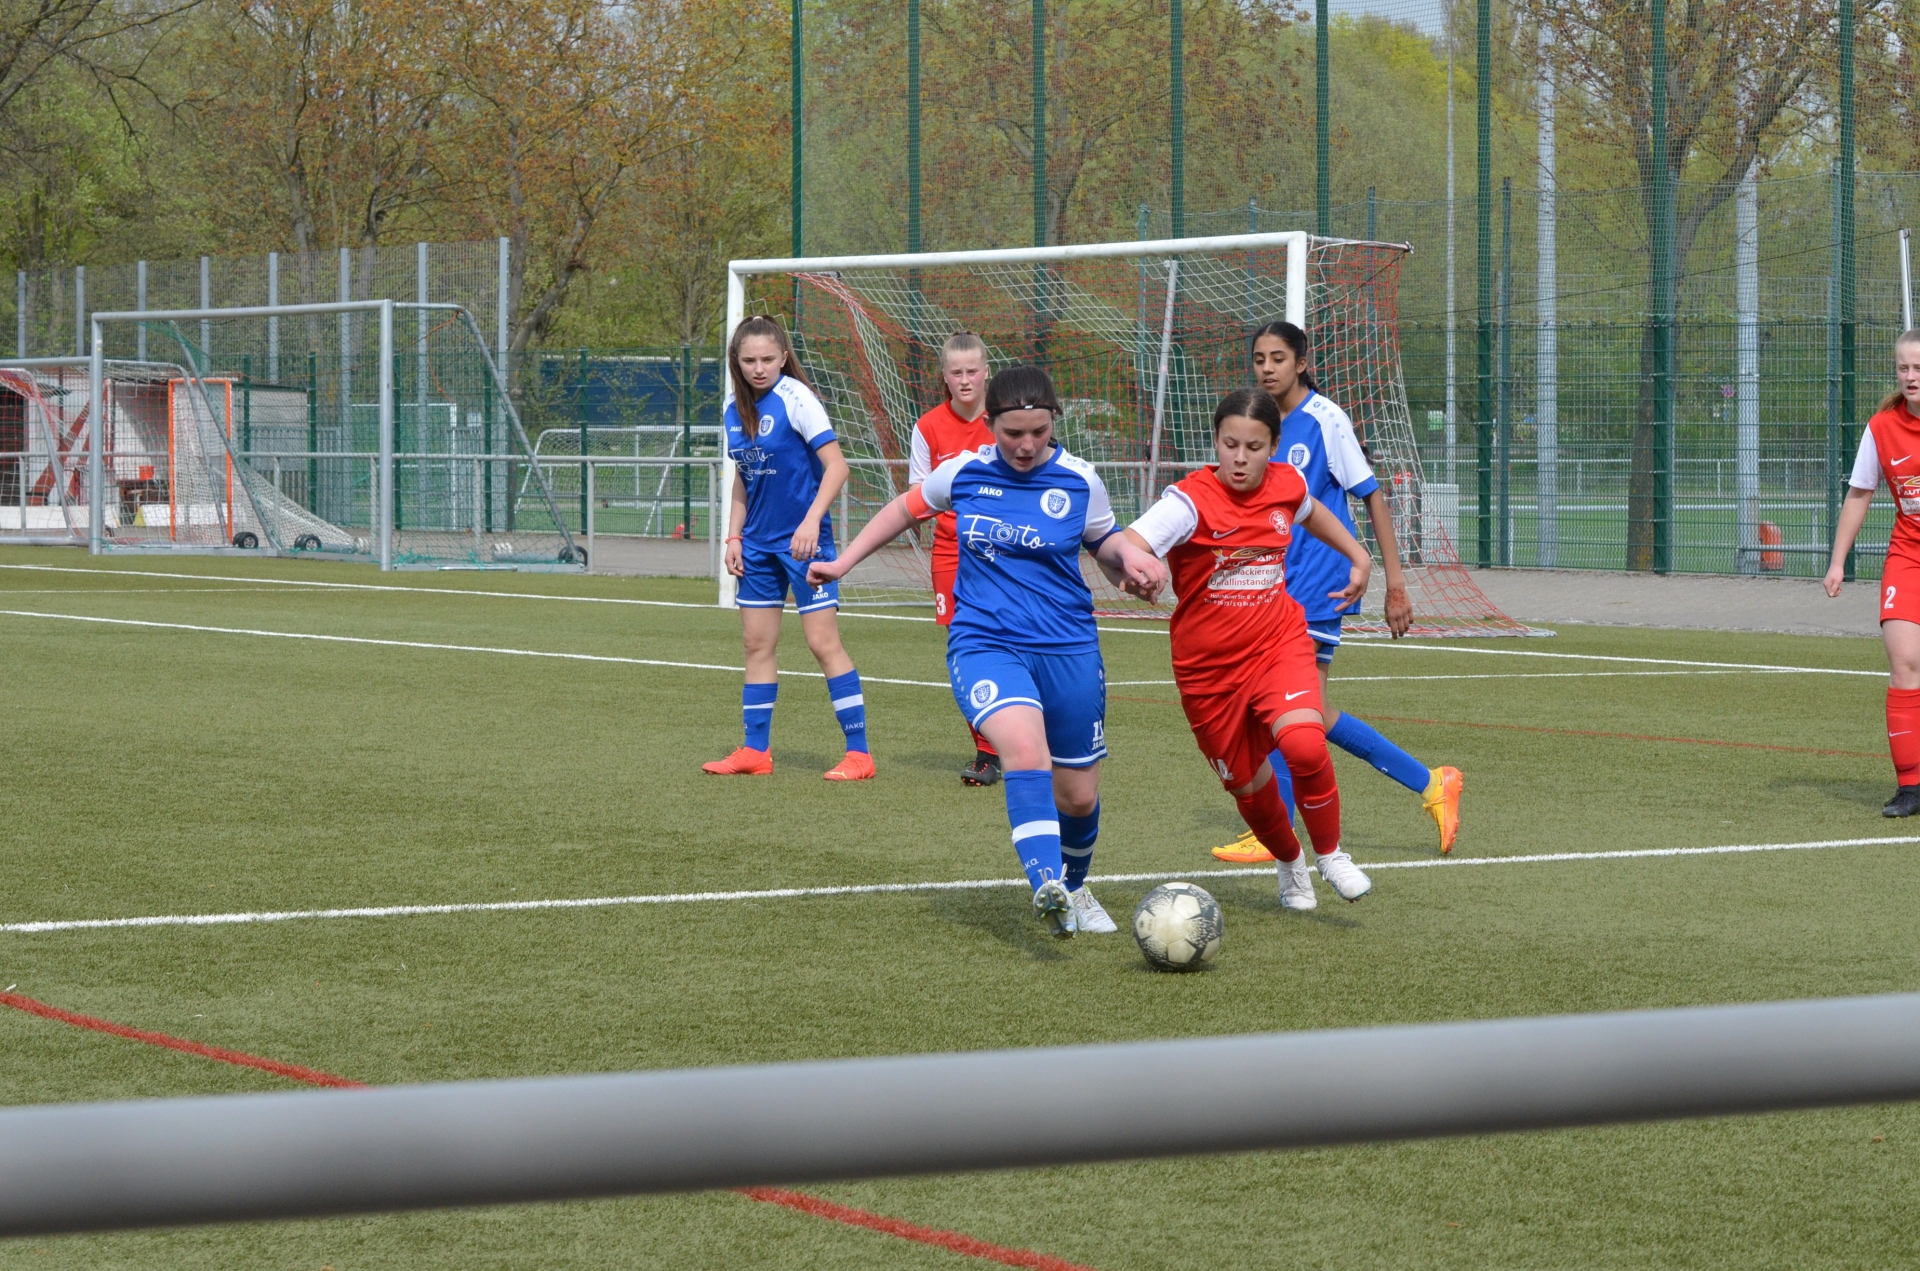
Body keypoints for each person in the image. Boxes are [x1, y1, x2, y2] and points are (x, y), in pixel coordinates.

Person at [811, 365, 1152, 937]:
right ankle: (1047, 884)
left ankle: (1074, 885)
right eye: (1013, 432)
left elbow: (1104, 542)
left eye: (1039, 432)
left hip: (1068, 647)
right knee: (1024, 749)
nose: (1026, 445)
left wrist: (1132, 563)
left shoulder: (1079, 479)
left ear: (1053, 423)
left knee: (1077, 796)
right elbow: (904, 509)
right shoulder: (964, 472)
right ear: (990, 423)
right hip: (985, 642)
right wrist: (843, 562)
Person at [1212, 320, 1464, 860]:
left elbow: (1371, 495)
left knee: (1284, 708)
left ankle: (1274, 829)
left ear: (1301, 363)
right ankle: (1431, 783)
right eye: (1259, 359)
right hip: (1275, 587)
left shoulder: (1326, 419)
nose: (1267, 368)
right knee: (1312, 714)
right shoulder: (1260, 424)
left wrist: (1395, 584)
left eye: (1278, 358)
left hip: (1319, 586)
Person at [1116, 387, 1375, 909]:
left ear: (1273, 446)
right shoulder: (1187, 502)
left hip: (1278, 643)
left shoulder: (1286, 483)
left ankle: (1331, 854)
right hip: (1207, 671)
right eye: (1229, 444)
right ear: (1216, 441)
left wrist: (1359, 555)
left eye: (1254, 447)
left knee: (1304, 745)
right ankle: (1291, 863)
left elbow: (1311, 511)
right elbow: (1129, 543)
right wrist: (1136, 568)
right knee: (1248, 787)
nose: (1239, 458)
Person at [703, 315, 874, 781]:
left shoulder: (798, 398)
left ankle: (859, 754)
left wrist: (811, 521)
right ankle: (755, 751)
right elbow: (744, 477)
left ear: (783, 357)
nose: (759, 368)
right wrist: (734, 536)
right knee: (756, 645)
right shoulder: (732, 408)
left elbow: (837, 467)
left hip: (804, 545)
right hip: (756, 546)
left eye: (767, 359)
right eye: (749, 360)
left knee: (822, 643)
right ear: (736, 362)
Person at [1827, 328, 1920, 817]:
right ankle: (1911, 787)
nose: (1911, 377)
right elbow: (1859, 494)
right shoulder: (1881, 428)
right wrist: (1838, 561)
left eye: (1919, 368)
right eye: (1904, 368)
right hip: (1909, 558)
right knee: (1904, 662)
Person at [909, 332, 1000, 786]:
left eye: (972, 371)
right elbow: (917, 494)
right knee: (963, 649)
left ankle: (1026, 732)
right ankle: (988, 752)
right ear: (944, 376)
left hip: (1001, 551)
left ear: (986, 372)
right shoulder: (927, 427)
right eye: (956, 372)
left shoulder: (1006, 420)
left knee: (1008, 639)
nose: (965, 380)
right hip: (949, 553)